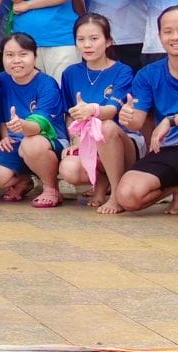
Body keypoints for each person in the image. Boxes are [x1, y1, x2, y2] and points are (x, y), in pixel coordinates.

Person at [112, 6, 178, 216]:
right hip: (169, 147)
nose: (176, 37)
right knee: (127, 196)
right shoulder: (148, 74)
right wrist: (127, 117)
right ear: (159, 36)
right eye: (168, 31)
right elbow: (136, 122)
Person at [57, 14, 137, 212]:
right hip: (86, 142)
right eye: (81, 39)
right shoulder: (70, 73)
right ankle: (101, 183)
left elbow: (112, 110)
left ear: (108, 41)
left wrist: (92, 110)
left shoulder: (122, 71)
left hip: (120, 142)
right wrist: (75, 142)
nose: (87, 45)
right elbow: (69, 114)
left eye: (94, 39)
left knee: (105, 126)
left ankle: (117, 193)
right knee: (69, 169)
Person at [0, 33, 67, 208]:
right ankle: (24, 180)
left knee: (32, 144)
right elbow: (2, 115)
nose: (16, 60)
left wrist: (21, 125)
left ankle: (51, 188)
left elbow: (37, 126)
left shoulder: (47, 84)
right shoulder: (2, 79)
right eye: (9, 55)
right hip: (16, 142)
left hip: (47, 141)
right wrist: (4, 136)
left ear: (35, 56)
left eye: (23, 54)